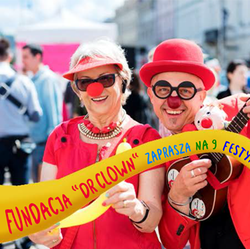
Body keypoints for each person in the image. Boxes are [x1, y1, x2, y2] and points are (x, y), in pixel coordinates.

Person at [144, 39, 250, 249]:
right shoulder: (163, 152)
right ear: (151, 96)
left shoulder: (239, 109)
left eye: (185, 90)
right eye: (163, 90)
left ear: (201, 94)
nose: (173, 100)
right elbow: (172, 241)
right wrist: (177, 197)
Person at [27, 39, 164, 249]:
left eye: (106, 79)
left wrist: (136, 208)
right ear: (77, 91)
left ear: (123, 81)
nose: (95, 89)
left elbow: (152, 218)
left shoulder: (145, 138)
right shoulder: (60, 137)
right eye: (84, 82)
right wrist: (38, 231)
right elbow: (46, 209)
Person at [0, 38, 42, 186]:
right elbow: (36, 115)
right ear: (10, 56)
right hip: (21, 145)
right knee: (22, 195)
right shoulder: (24, 81)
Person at [21, 43, 64, 182]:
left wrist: (52, 143)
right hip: (36, 143)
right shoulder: (33, 79)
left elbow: (53, 113)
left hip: (45, 143)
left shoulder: (47, 79)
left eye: (26, 57)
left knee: (43, 189)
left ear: (37, 57)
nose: (23, 61)